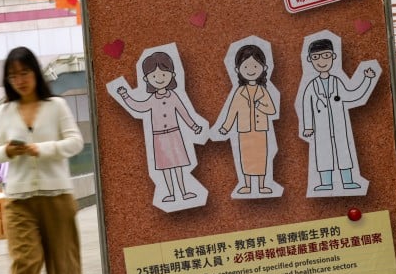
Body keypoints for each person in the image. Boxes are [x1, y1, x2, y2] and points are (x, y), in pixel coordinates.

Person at [0, 46, 85, 274]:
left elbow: (75, 142)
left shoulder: (56, 106)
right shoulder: (6, 111)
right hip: (19, 201)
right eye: (13, 76)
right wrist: (7, 151)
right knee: (24, 262)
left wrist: (42, 149)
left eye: (24, 72)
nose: (19, 80)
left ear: (36, 73)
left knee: (64, 267)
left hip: (57, 197)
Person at [115, 49, 204, 204]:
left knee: (178, 166)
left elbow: (183, 113)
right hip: (159, 137)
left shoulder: (174, 96)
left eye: (163, 74)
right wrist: (125, 96)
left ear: (172, 75)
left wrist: (194, 126)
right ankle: (170, 193)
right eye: (154, 76)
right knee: (166, 168)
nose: (159, 78)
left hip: (174, 135)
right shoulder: (151, 99)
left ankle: (184, 191)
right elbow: (138, 106)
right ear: (147, 79)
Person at [299, 37, 377, 191]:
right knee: (323, 153)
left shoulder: (337, 82)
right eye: (316, 57)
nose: (321, 61)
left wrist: (367, 80)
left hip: (339, 125)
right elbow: (306, 106)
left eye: (326, 56)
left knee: (343, 151)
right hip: (321, 127)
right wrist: (308, 126)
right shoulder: (311, 86)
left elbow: (354, 95)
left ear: (334, 57)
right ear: (310, 60)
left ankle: (347, 181)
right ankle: (326, 183)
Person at [218, 44, 278, 195]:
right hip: (244, 130)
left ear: (263, 68)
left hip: (260, 130)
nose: (251, 70)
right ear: (238, 70)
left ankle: (263, 184)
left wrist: (261, 105)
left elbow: (272, 109)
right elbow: (233, 111)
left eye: (255, 66)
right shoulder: (240, 92)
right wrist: (226, 127)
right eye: (246, 67)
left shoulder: (263, 90)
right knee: (246, 158)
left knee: (261, 157)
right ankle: (247, 184)